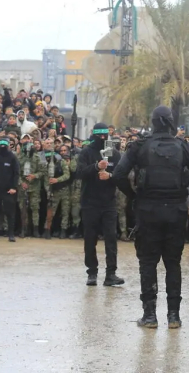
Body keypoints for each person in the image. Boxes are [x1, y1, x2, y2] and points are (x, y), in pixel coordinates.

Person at [113, 106, 189, 329]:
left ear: (152, 122)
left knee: (148, 263)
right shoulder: (184, 147)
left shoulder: (139, 146)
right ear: (170, 123)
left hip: (148, 210)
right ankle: (173, 316)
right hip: (176, 212)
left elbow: (119, 175)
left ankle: (149, 316)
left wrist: (134, 195)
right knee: (173, 263)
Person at [76, 123, 125, 287]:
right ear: (94, 135)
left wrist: (110, 175)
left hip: (108, 204)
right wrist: (96, 167)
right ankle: (92, 273)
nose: (103, 138)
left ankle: (111, 274)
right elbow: (80, 173)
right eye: (100, 135)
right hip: (90, 203)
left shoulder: (114, 153)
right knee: (90, 239)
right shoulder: (86, 152)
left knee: (111, 238)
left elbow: (121, 175)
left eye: (106, 135)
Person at [0, 137, 20, 242]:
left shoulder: (13, 157)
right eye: (0, 144)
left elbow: (16, 174)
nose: (2, 146)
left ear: (9, 146)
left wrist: (14, 187)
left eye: (4, 144)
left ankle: (11, 234)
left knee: (10, 213)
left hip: (9, 190)